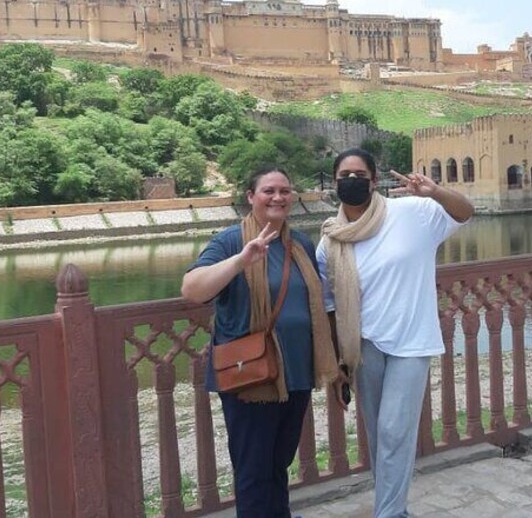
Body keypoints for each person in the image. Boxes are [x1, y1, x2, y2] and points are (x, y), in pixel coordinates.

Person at [317, 148, 474, 518]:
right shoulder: (332, 240)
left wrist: (434, 192)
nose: (351, 181)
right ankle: (392, 508)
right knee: (378, 433)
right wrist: (338, 361)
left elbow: (465, 213)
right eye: (344, 175)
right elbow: (328, 305)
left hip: (411, 342)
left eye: (359, 174)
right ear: (335, 182)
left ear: (374, 181)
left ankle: (388, 514)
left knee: (393, 430)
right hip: (363, 346)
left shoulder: (411, 213)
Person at [182, 166, 340, 518]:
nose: (278, 197)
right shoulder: (230, 241)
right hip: (251, 375)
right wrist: (241, 260)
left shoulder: (299, 243)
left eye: (285, 191)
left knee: (279, 461)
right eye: (269, 191)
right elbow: (192, 289)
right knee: (254, 468)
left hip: (296, 373)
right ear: (250, 197)